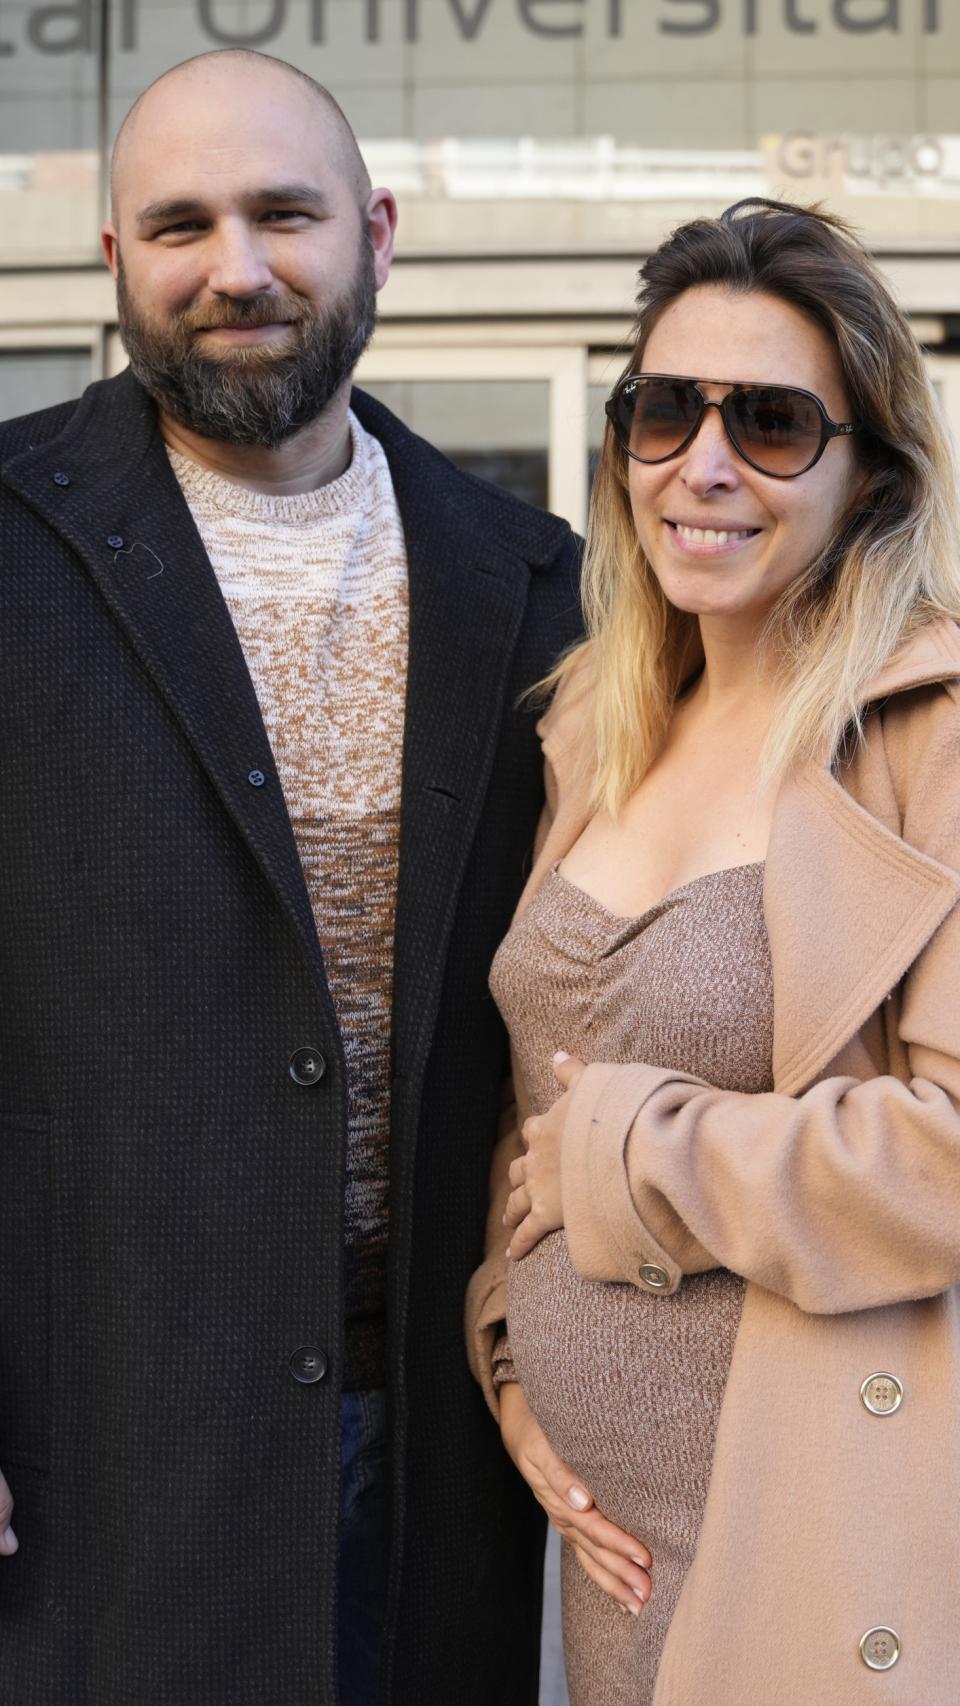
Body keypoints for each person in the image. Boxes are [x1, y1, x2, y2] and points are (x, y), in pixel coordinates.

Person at [0, 48, 589, 1705]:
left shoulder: (529, 575)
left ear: (378, 235)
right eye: (180, 224)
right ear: (115, 261)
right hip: (96, 1435)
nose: (236, 267)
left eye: (284, 213)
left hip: (427, 1437)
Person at [466, 197, 960, 1704]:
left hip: (813, 1520)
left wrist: (629, 1154)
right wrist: (509, 1360)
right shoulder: (591, 726)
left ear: (870, 470)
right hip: (598, 1552)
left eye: (772, 422)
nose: (706, 463)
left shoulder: (926, 733)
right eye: (665, 411)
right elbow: (529, 1103)